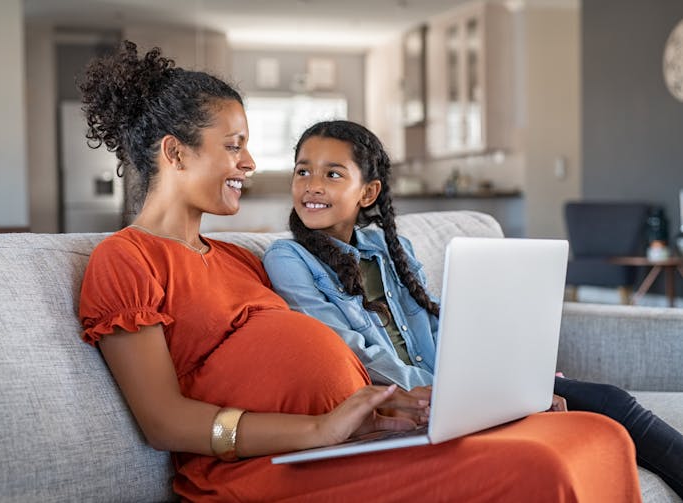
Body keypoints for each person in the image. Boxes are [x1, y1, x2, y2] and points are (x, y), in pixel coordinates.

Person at [78, 41, 642, 502]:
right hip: (270, 469)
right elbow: (164, 422)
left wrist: (398, 410)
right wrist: (320, 430)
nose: (250, 164)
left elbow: (325, 368)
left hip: (352, 442)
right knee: (538, 470)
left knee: (598, 433)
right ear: (175, 155)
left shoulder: (234, 257)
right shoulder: (126, 260)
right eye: (234, 146)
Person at [263, 119, 683, 499]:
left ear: (368, 192)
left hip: (461, 392)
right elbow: (345, 347)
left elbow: (442, 325)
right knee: (595, 416)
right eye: (303, 171)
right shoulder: (289, 258)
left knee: (610, 402)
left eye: (332, 174)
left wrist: (505, 378)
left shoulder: (389, 248)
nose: (312, 185)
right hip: (414, 403)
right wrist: (446, 394)